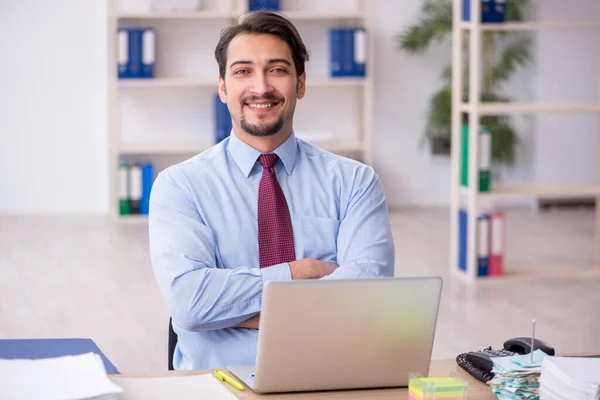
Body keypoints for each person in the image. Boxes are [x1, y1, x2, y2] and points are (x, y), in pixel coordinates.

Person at [149, 10, 394, 370]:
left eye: (277, 69)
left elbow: (367, 297)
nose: (261, 87)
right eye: (243, 71)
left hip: (328, 379)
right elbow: (189, 303)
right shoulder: (180, 186)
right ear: (223, 87)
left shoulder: (355, 182)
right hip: (217, 386)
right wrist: (299, 273)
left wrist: (232, 310)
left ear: (301, 84)